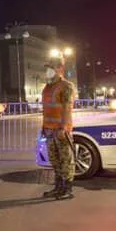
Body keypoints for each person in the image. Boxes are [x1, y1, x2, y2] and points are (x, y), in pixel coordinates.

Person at [41, 55, 77, 199]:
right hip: (49, 129)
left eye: (52, 67)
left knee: (66, 160)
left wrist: (63, 128)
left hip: (61, 130)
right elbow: (46, 109)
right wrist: (43, 127)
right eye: (48, 68)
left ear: (60, 68)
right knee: (54, 160)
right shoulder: (47, 87)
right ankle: (58, 187)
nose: (49, 70)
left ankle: (67, 190)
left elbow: (67, 109)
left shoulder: (67, 86)